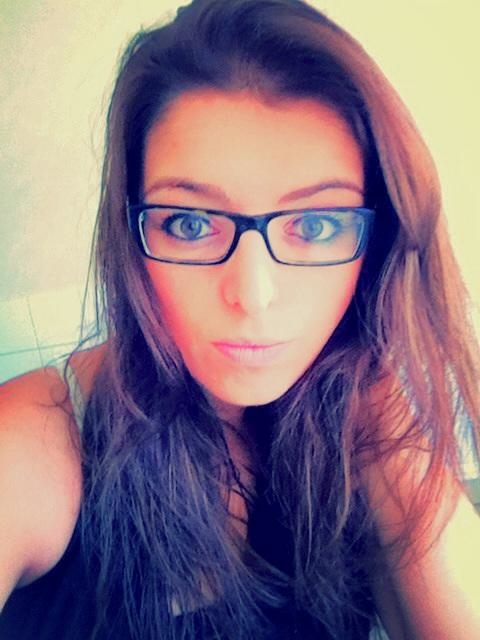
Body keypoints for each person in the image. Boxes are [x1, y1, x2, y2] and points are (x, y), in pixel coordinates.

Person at [1, 0, 479, 638]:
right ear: (132, 229)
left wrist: (387, 429)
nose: (253, 294)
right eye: (190, 223)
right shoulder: (32, 443)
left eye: (316, 225)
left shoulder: (368, 410)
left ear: (379, 240)